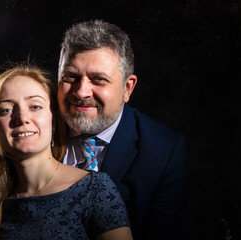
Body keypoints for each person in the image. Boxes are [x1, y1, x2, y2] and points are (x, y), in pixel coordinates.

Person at [0, 64, 132, 240]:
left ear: (54, 120)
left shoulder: (94, 190)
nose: (22, 118)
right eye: (6, 110)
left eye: (35, 106)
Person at [58, 20, 189, 239]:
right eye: (70, 76)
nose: (81, 92)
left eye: (98, 80)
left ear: (127, 88)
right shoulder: (33, 129)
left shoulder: (164, 151)